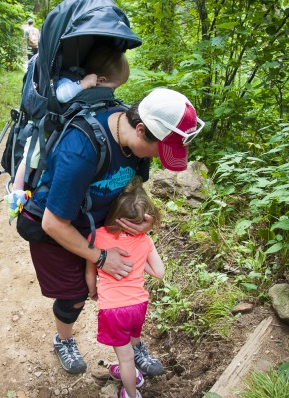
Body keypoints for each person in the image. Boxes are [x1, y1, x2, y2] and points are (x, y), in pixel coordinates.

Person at [25, 87, 204, 376]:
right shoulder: (81, 149)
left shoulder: (136, 140)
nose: (158, 158)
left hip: (100, 221)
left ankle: (133, 345)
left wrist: (147, 217)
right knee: (75, 296)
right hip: (57, 227)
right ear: (142, 129)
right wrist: (101, 258)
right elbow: (53, 223)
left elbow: (134, 185)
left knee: (127, 293)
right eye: (160, 150)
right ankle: (64, 339)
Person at [85, 176, 165, 398]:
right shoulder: (145, 241)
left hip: (114, 309)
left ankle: (131, 392)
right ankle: (130, 374)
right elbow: (159, 272)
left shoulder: (97, 237)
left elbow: (90, 273)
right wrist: (139, 262)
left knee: (126, 358)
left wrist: (93, 292)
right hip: (139, 305)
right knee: (129, 347)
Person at [11, 47, 130, 191]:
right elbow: (61, 94)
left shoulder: (96, 93)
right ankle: (16, 191)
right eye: (113, 88)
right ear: (100, 80)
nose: (112, 93)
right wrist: (83, 84)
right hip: (48, 127)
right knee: (32, 158)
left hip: (69, 127)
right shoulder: (71, 79)